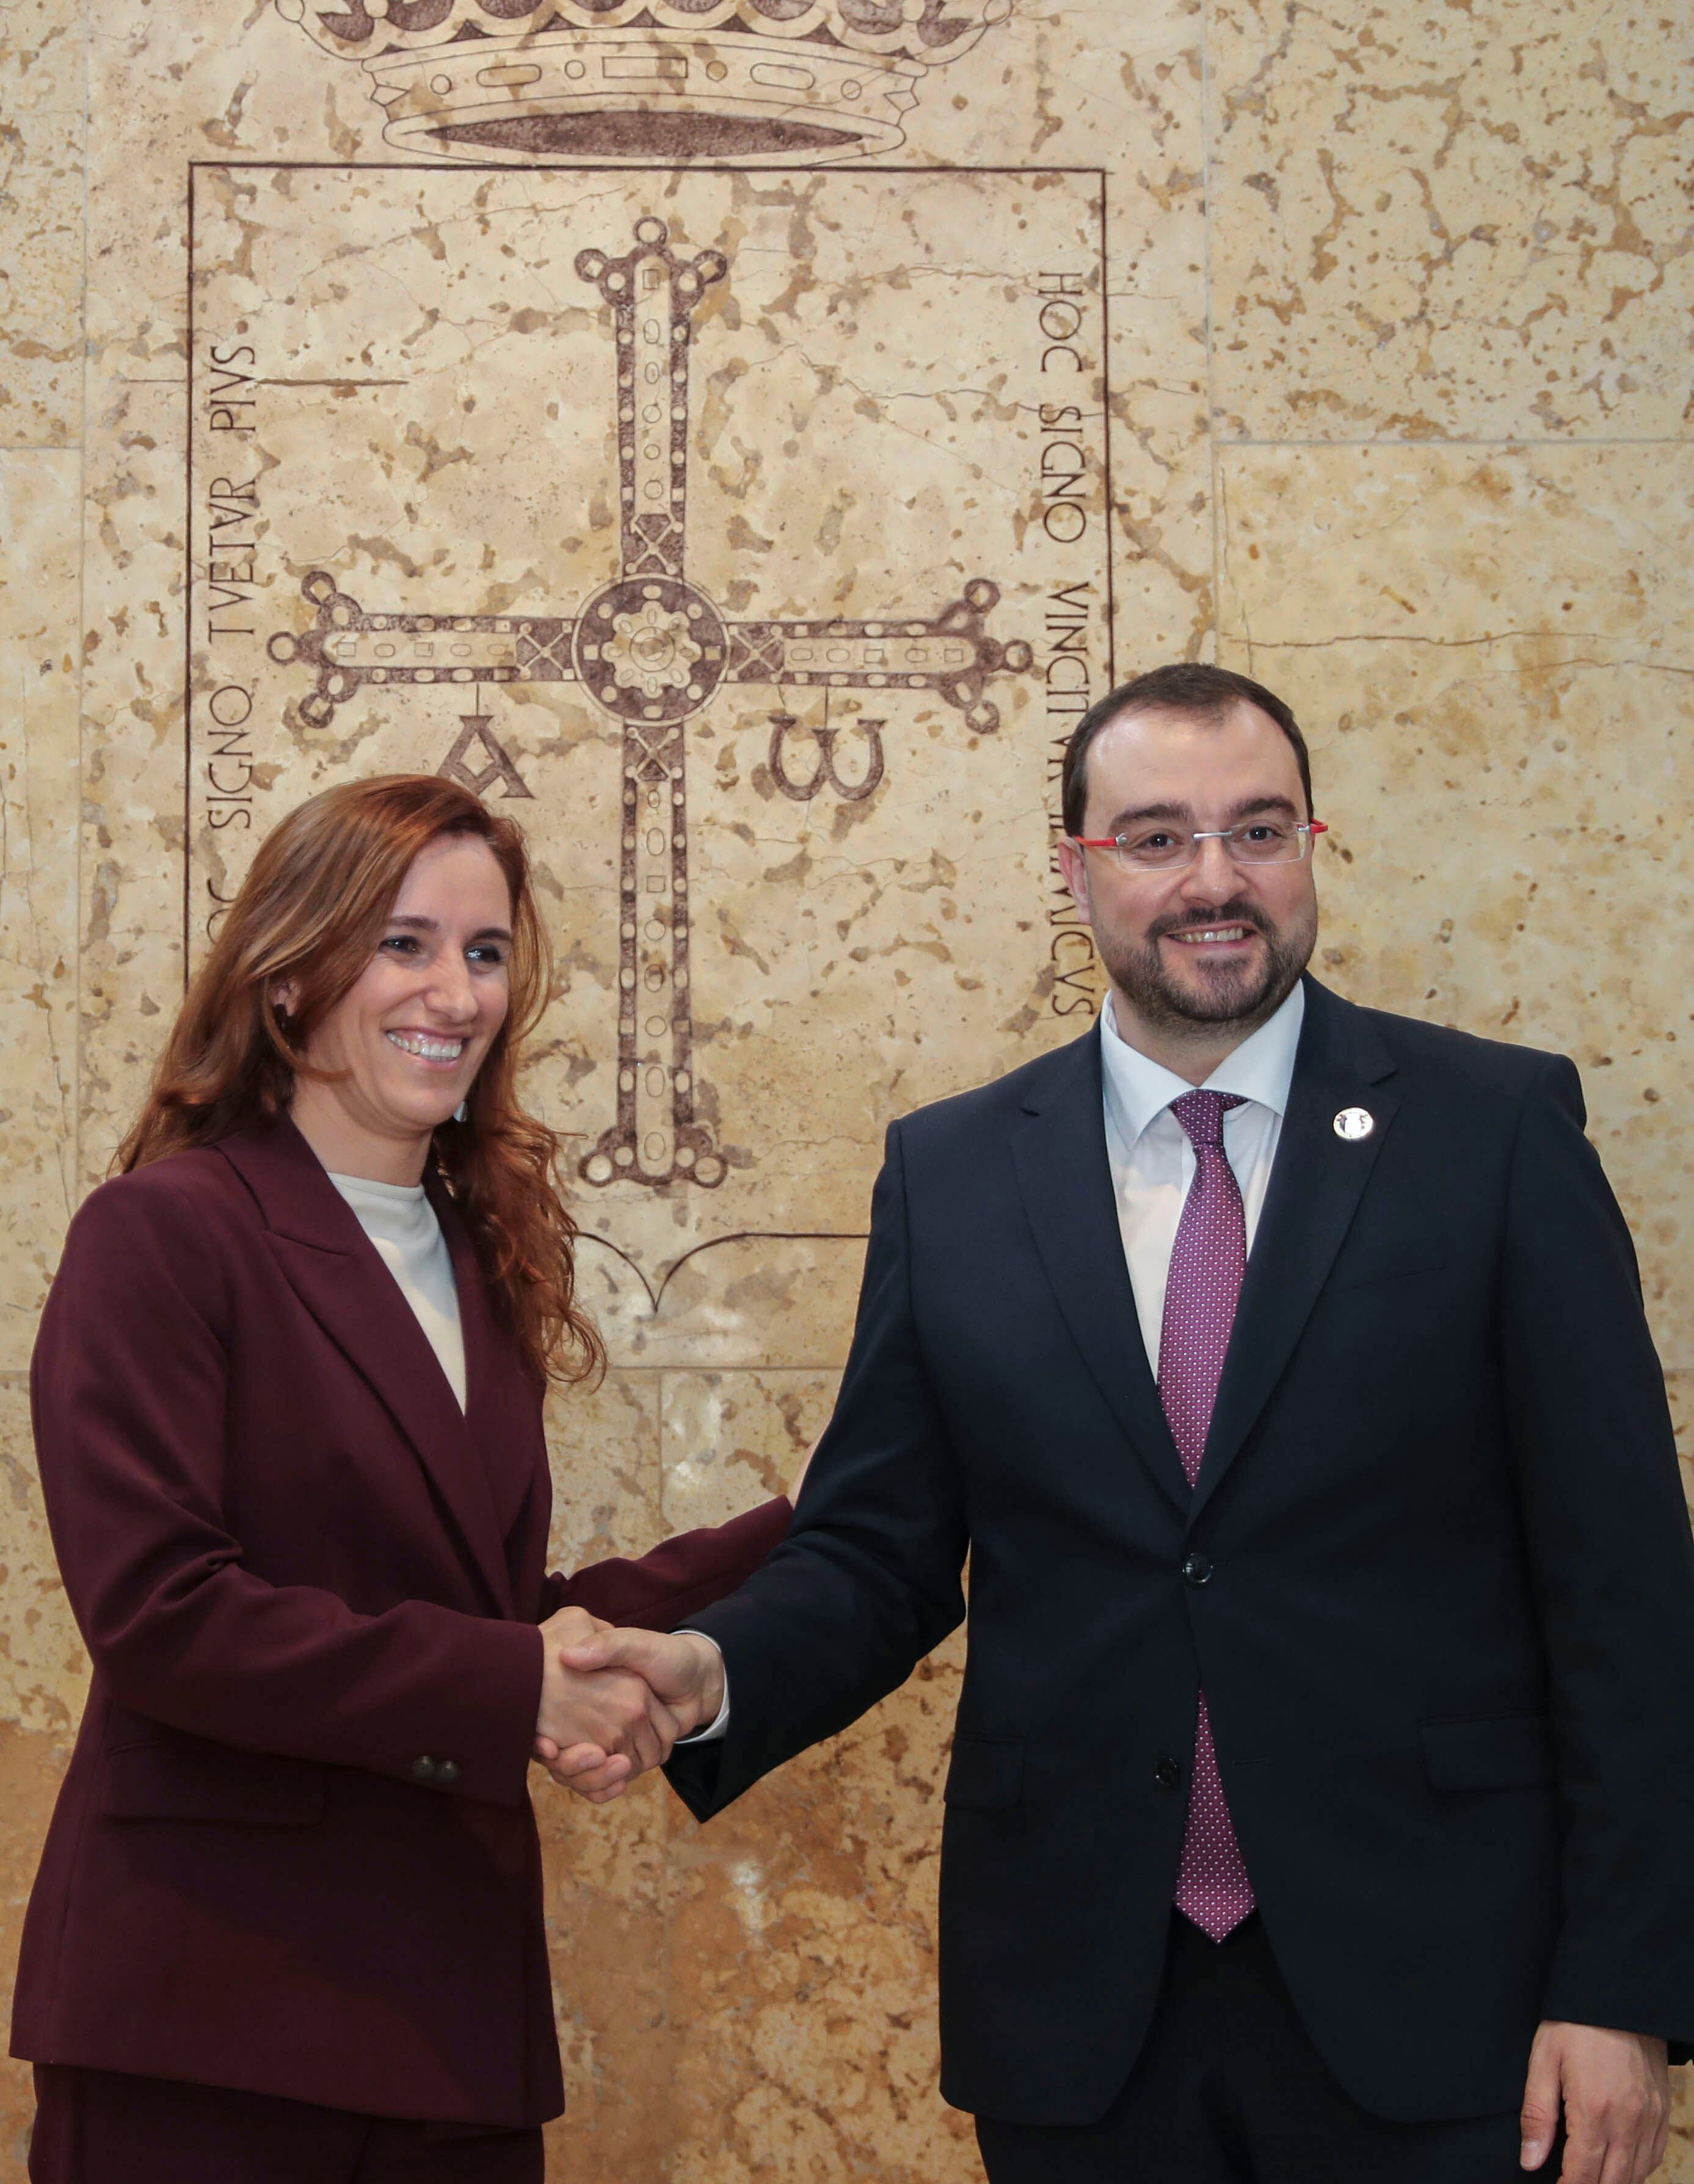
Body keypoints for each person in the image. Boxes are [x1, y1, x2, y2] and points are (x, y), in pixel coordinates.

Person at [552, 664, 1694, 2184]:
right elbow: (882, 1550)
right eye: (1155, 837)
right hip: (1084, 2010)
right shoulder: (954, 1174)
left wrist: (1619, 1989)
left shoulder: (1491, 1135)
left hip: (1448, 2001)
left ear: (1309, 849)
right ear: (1074, 868)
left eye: (1259, 831)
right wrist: (708, 1669)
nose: (1215, 881)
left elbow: (1624, 1589)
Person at [13, 775, 796, 2183]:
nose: (456, 990)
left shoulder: (475, 1252)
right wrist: (520, 1689)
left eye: (485, 952)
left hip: (448, 2017)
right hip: (209, 2017)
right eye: (404, 943)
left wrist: (824, 1526)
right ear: (291, 969)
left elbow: (482, 1610)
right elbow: (163, 1617)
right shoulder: (164, 1232)